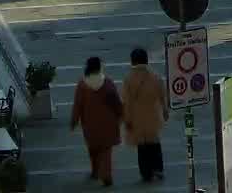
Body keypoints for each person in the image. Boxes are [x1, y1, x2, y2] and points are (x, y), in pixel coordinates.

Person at [71, 55, 123, 186]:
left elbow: (78, 105)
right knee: (106, 150)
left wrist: (74, 121)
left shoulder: (82, 85)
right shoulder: (108, 83)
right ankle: (106, 174)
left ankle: (95, 170)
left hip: (90, 124)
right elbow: (116, 102)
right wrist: (122, 115)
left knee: (93, 149)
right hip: (108, 122)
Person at [121, 46, 168, 183]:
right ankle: (158, 168)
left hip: (137, 119)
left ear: (132, 61)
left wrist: (127, 119)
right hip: (153, 116)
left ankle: (146, 173)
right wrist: (165, 110)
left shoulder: (129, 79)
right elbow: (162, 95)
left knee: (142, 147)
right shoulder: (155, 76)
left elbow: (126, 102)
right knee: (154, 143)